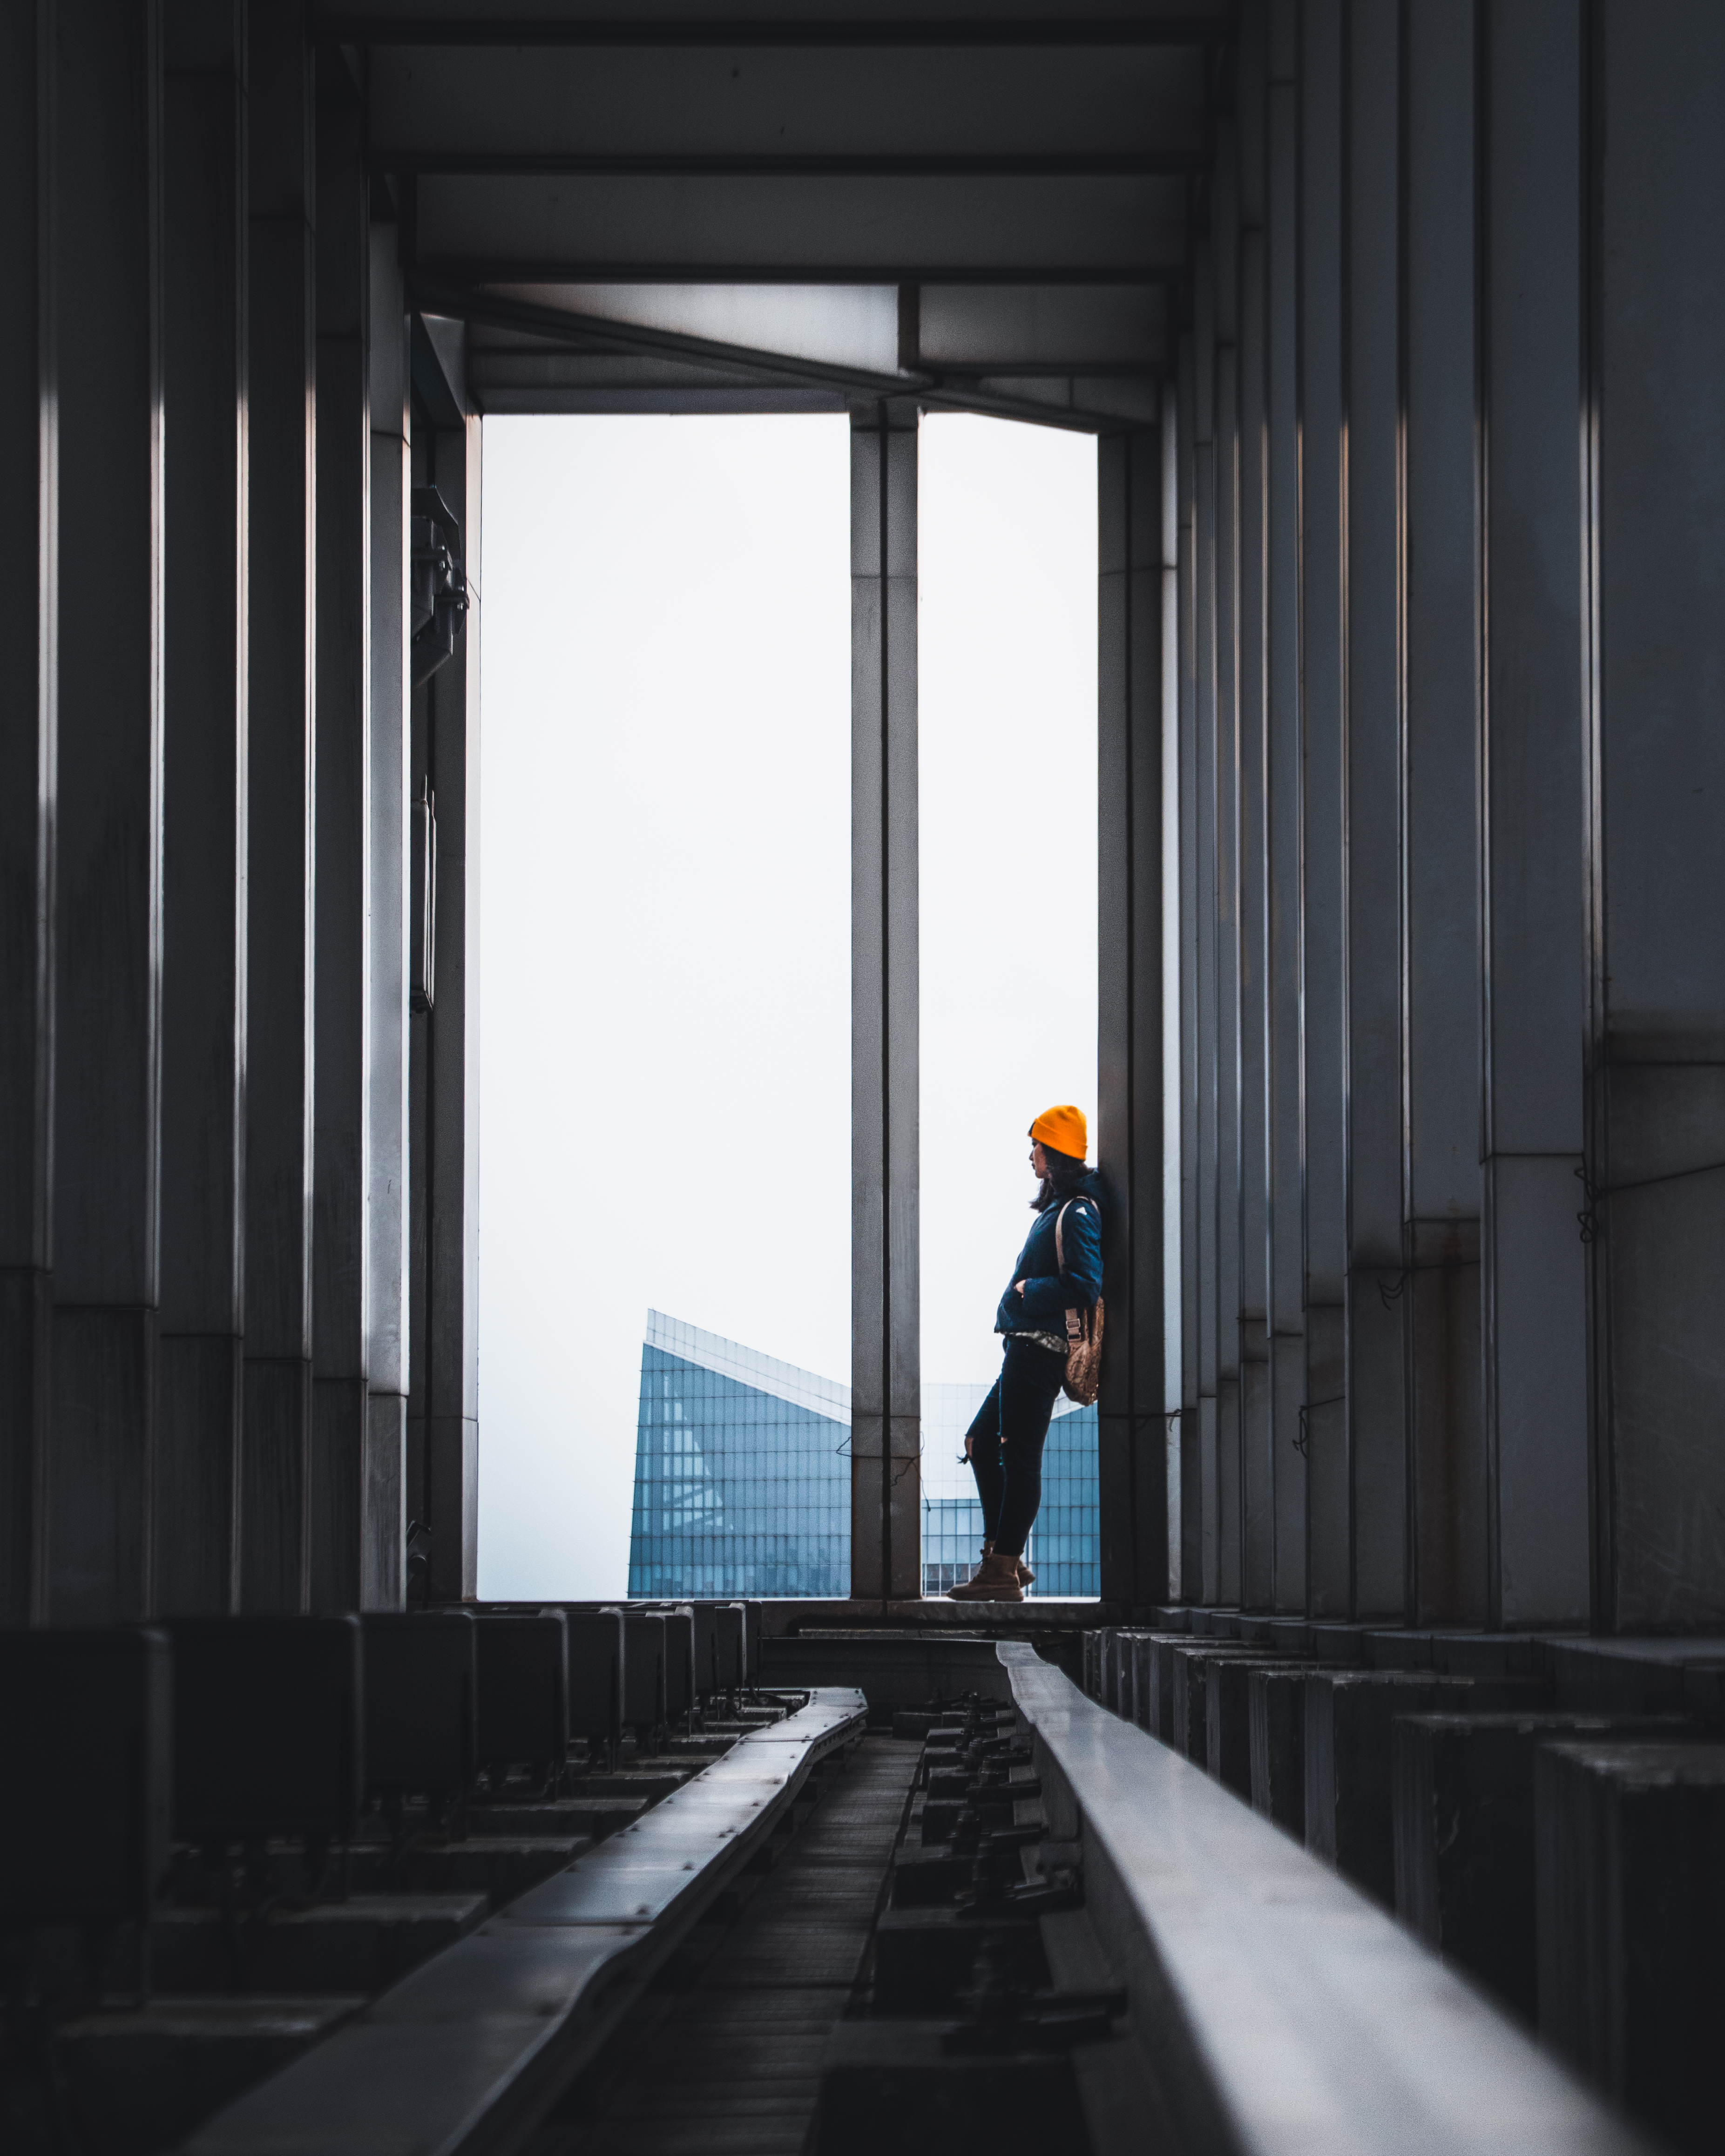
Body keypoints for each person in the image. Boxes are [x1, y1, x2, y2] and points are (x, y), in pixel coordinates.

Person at [946, 1105, 1103, 1603]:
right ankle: (1003, 1554)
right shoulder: (1058, 1210)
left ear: (1054, 1151)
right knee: (979, 1440)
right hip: (1024, 1348)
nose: (1029, 1153)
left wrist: (1028, 1290)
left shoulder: (1077, 1212)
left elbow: (1086, 1282)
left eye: (1036, 1144)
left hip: (1042, 1351)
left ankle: (1002, 1566)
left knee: (1020, 1454)